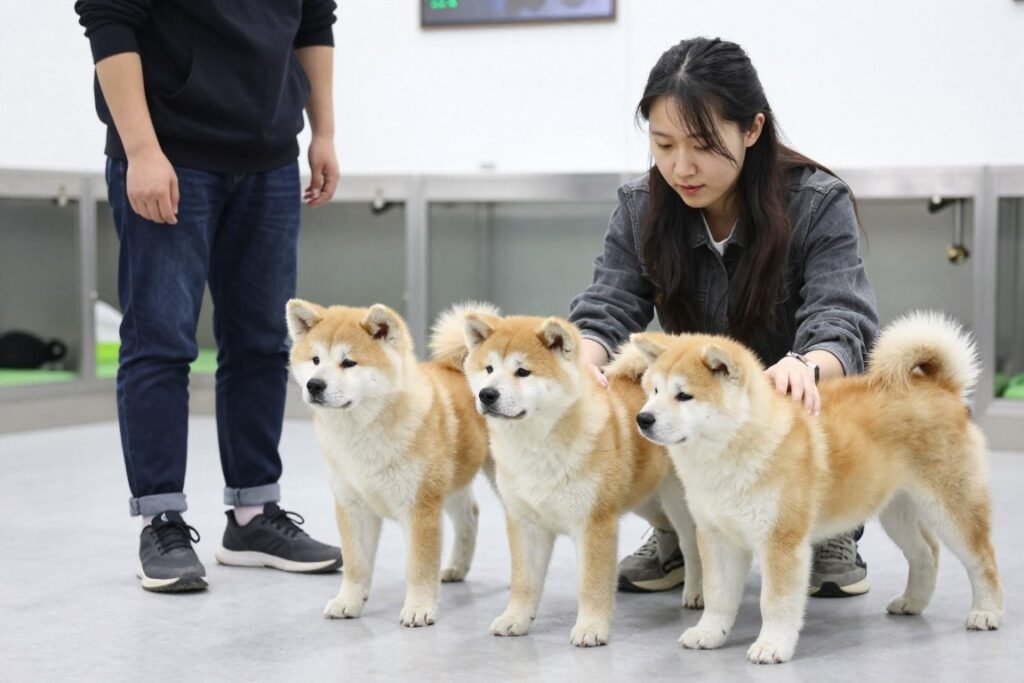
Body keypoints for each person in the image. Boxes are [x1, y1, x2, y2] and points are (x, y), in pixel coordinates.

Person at [568, 37, 879, 598]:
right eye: (663, 145)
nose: (680, 167)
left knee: (821, 394)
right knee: (624, 401)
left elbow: (842, 316)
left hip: (790, 413)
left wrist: (805, 365)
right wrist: (581, 364)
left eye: (702, 145)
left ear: (753, 129)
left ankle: (829, 523)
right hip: (699, 414)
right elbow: (606, 306)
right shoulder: (640, 206)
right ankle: (675, 527)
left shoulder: (817, 202)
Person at [74, 0, 343, 592]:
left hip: (269, 159)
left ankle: (253, 516)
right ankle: (160, 519)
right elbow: (107, 19)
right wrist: (142, 151)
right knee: (160, 340)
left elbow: (313, 23)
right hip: (171, 153)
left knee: (262, 344)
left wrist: (322, 131)